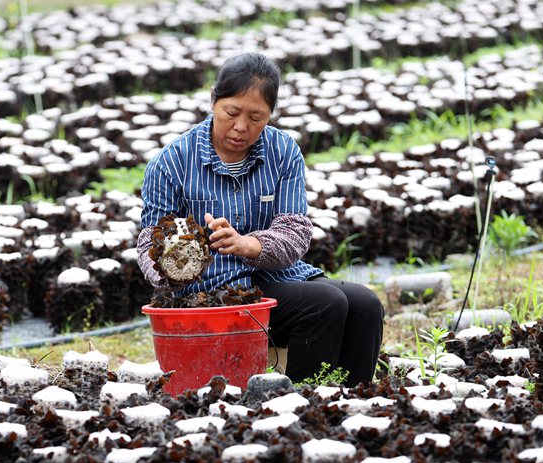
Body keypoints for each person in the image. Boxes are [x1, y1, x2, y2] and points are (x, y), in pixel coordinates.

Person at [136, 52, 384, 387]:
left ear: (270, 115)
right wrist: (175, 265)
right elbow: (150, 239)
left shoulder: (283, 152)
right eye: (232, 113)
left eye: (257, 117)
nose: (241, 127)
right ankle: (296, 403)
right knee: (325, 304)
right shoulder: (172, 162)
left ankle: (349, 399)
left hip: (278, 276)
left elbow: (295, 232)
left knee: (365, 304)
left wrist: (248, 244)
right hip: (214, 291)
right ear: (213, 99)